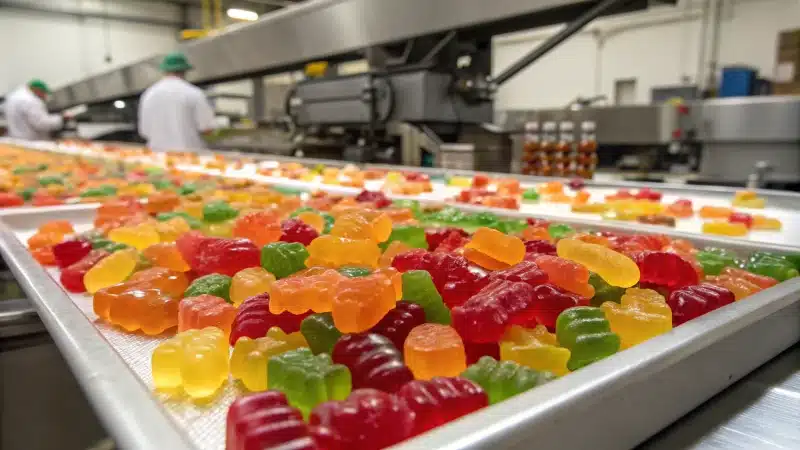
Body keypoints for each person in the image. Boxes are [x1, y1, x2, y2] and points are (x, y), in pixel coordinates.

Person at [138, 52, 216, 152]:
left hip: (157, 157)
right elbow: (207, 129)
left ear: (164, 71)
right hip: (188, 157)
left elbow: (144, 132)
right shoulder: (194, 93)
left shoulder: (148, 94)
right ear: (185, 71)